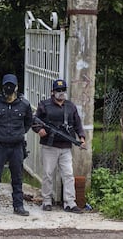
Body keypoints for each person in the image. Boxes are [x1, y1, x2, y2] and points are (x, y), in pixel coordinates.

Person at [33, 79, 86, 213]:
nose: (61, 93)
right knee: (47, 174)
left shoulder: (70, 106)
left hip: (66, 146)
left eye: (63, 90)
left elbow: (77, 123)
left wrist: (82, 137)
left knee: (68, 174)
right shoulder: (44, 105)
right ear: (53, 92)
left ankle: (70, 203)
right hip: (49, 146)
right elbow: (34, 120)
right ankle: (46, 201)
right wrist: (39, 130)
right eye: (58, 91)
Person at [0, 74, 33, 216]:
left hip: (17, 146)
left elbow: (28, 121)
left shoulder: (24, 104)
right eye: (7, 85)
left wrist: (20, 133)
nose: (9, 88)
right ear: (3, 86)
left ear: (17, 87)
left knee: (17, 177)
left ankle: (18, 206)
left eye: (11, 85)